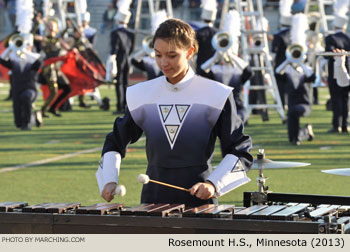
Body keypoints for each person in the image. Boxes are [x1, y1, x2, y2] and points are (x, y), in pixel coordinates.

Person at [97, 18, 253, 207]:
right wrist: (109, 179)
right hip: (152, 198)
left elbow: (239, 149)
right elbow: (116, 141)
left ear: (189, 52)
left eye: (172, 55)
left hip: (200, 198)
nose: (164, 63)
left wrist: (213, 183)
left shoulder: (217, 94)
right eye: (158, 55)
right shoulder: (141, 93)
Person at [0, 35, 42, 130]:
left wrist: (26, 52)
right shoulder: (14, 62)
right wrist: (10, 48)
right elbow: (2, 60)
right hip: (17, 89)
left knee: (26, 97)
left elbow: (39, 61)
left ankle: (27, 123)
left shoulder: (32, 60)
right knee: (18, 122)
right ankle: (35, 116)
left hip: (30, 89)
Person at [324, 13, 350, 134]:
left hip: (335, 72)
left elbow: (328, 54)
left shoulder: (330, 38)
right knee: (345, 99)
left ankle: (336, 125)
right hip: (347, 73)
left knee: (336, 99)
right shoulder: (348, 38)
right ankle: (345, 125)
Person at [109, 5, 134, 114]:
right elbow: (131, 48)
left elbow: (114, 49)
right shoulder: (131, 33)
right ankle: (125, 106)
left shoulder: (115, 32)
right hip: (127, 58)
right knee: (125, 83)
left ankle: (120, 106)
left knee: (118, 82)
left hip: (118, 58)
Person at [195, 0, 218, 80]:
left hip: (200, 69)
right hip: (215, 70)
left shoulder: (198, 33)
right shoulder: (218, 33)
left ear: (203, 17)